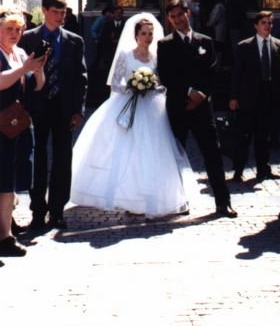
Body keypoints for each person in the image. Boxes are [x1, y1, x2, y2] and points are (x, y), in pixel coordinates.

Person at [69, 14, 196, 217]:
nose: (147, 37)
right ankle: (131, 197)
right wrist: (134, 86)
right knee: (129, 152)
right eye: (143, 34)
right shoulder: (126, 55)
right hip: (128, 106)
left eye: (150, 34)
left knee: (154, 151)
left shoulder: (156, 56)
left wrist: (152, 86)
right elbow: (115, 83)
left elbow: (163, 83)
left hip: (153, 109)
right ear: (136, 35)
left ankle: (154, 196)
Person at [157, 0, 237, 218]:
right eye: (172, 17)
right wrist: (187, 92)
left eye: (180, 15)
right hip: (178, 108)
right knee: (176, 156)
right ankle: (176, 201)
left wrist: (201, 93)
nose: (177, 19)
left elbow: (213, 71)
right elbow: (166, 75)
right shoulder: (164, 44)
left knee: (212, 154)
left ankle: (223, 202)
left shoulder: (205, 41)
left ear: (188, 14)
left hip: (202, 107)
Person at [19, 0, 88, 230]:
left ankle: (57, 210)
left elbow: (81, 77)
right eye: (57, 12)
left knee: (62, 159)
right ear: (45, 10)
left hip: (63, 107)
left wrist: (78, 109)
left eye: (64, 12)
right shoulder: (27, 38)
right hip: (35, 107)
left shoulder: (74, 40)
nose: (62, 17)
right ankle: (38, 210)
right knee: (37, 159)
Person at [0, 9, 46, 256]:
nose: (15, 34)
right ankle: (4, 235)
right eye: (9, 29)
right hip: (1, 122)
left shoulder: (19, 53)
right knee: (3, 179)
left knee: (12, 181)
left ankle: (6, 232)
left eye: (18, 30)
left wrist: (38, 70)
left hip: (16, 124)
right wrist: (24, 68)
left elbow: (37, 86)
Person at [229, 11, 280, 182]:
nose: (267, 26)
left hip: (269, 95)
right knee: (243, 136)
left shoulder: (279, 46)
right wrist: (233, 97)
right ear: (256, 25)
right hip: (248, 96)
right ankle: (238, 170)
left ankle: (263, 169)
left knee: (264, 137)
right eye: (263, 23)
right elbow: (236, 74)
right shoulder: (244, 46)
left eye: (269, 23)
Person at [99, 6, 125, 70]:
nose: (118, 14)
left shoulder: (125, 25)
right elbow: (103, 38)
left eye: (120, 13)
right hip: (110, 53)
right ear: (113, 14)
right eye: (116, 12)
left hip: (122, 53)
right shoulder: (107, 25)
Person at [205, 0, 227, 65]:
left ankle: (217, 64)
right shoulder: (222, 6)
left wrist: (208, 24)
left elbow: (215, 18)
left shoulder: (218, 6)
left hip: (218, 29)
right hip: (221, 28)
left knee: (218, 47)